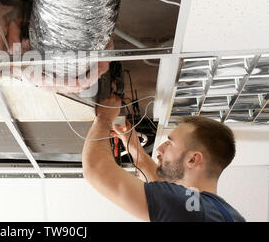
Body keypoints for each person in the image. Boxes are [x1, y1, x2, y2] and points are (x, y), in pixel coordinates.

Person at [82, 94, 246, 222]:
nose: (160, 149)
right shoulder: (224, 213)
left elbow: (97, 169)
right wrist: (134, 148)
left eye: (170, 143)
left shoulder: (189, 209)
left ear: (193, 159)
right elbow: (166, 192)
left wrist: (104, 118)